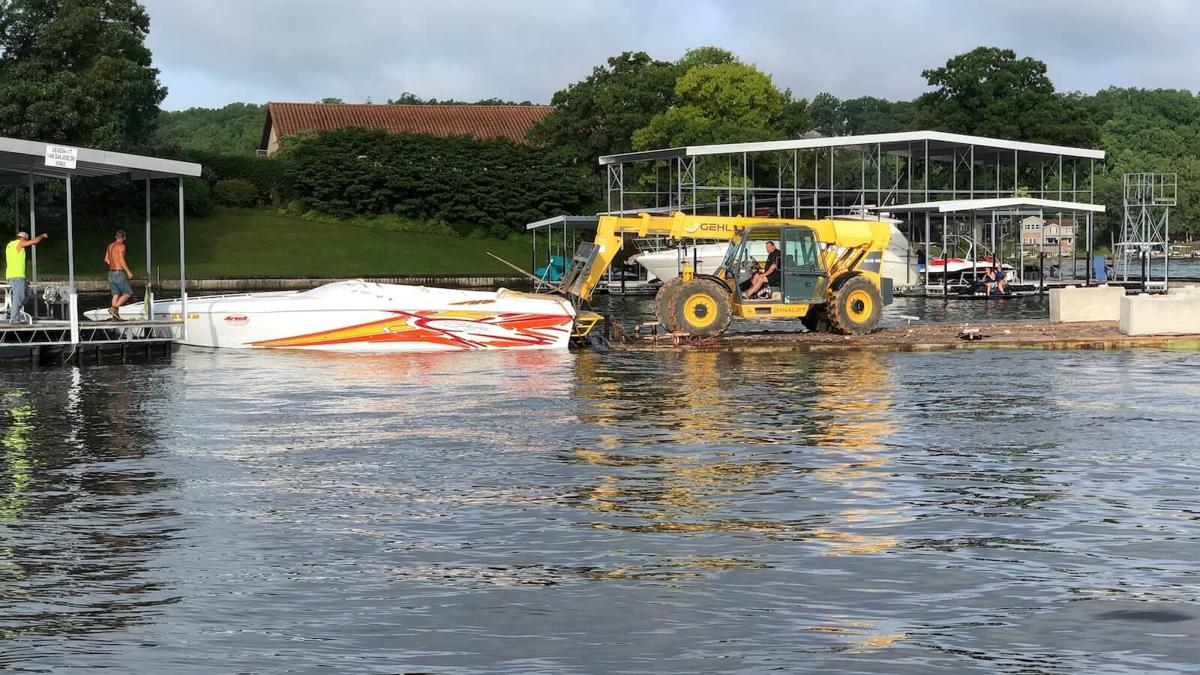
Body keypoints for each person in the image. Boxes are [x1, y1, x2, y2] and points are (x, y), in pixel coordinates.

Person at [5, 231, 48, 323]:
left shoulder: (10, 245)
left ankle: (12, 310)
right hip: (16, 276)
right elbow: (34, 241)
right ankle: (14, 319)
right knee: (18, 296)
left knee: (28, 293)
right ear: (23, 238)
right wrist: (42, 236)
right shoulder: (19, 243)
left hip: (17, 275)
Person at [103, 229, 134, 321]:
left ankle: (114, 317)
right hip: (118, 273)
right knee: (128, 293)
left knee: (115, 294)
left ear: (116, 237)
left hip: (111, 273)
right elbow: (121, 260)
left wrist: (113, 264)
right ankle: (114, 308)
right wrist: (128, 271)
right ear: (124, 238)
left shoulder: (110, 245)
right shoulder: (121, 246)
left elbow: (106, 259)